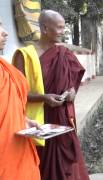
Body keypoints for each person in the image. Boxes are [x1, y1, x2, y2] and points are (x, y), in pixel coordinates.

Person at [12, 10, 89, 180]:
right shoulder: (24, 56)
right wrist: (44, 97)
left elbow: (73, 84)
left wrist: (71, 93)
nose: (63, 31)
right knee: (40, 164)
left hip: (61, 118)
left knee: (66, 165)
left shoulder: (64, 54)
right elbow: (16, 94)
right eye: (60, 28)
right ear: (45, 28)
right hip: (37, 121)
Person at [0, 20, 40, 180]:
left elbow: (8, 106)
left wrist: (23, 120)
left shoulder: (5, 68)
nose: (5, 32)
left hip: (16, 145)